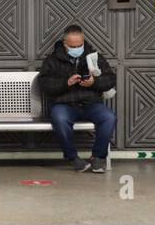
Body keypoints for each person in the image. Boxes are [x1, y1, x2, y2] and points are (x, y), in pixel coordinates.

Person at [37, 24, 117, 173]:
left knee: (109, 117)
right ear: (65, 43)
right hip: (64, 104)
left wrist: (94, 82)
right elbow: (44, 84)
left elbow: (111, 79)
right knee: (59, 119)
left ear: (83, 41)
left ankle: (98, 157)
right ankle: (73, 158)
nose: (77, 48)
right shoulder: (52, 60)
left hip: (91, 103)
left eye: (79, 45)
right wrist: (66, 83)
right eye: (73, 46)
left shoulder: (94, 57)